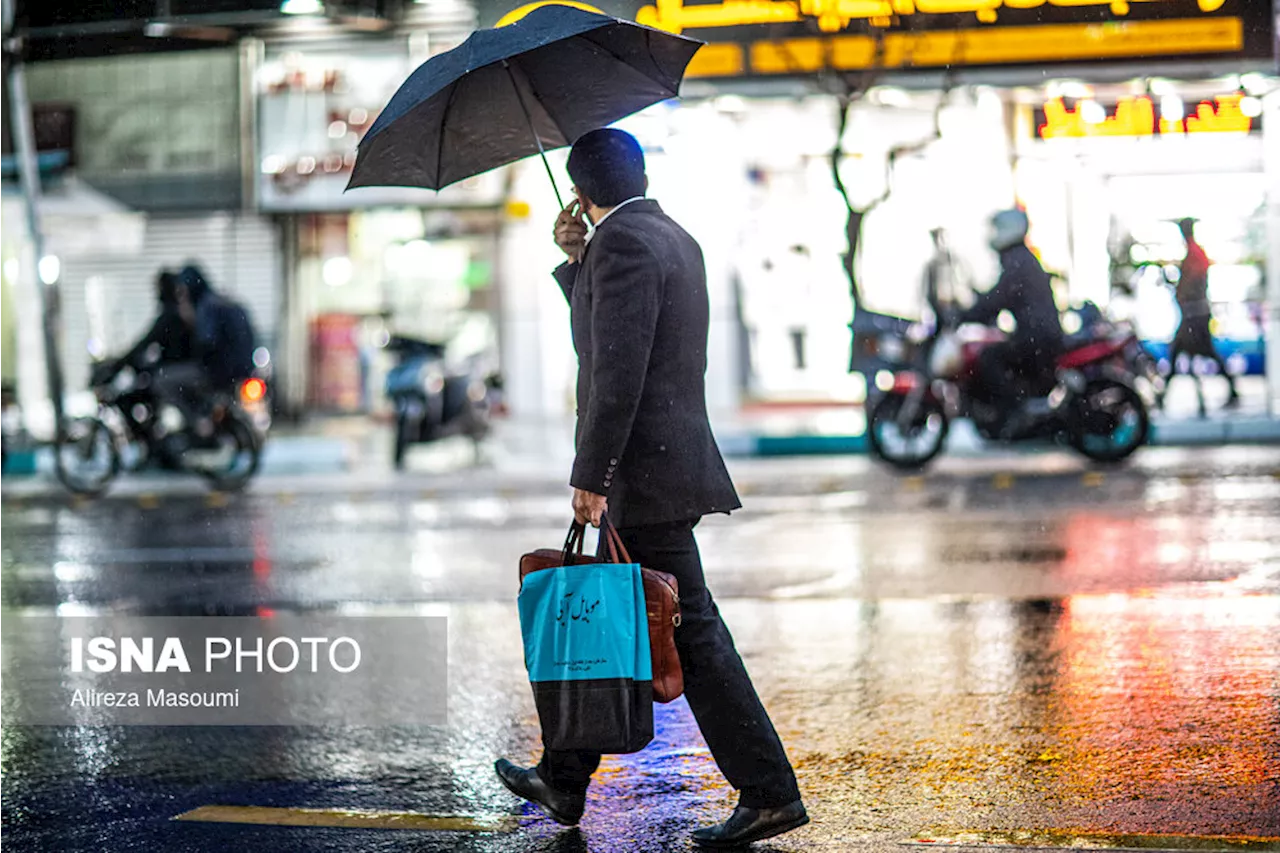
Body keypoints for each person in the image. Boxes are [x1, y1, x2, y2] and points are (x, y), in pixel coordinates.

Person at [493, 128, 808, 848]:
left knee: (688, 632)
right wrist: (578, 258)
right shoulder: (668, 234)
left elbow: (616, 371)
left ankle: (768, 791)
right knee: (621, 619)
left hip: (645, 472)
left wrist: (590, 477)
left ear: (580, 189)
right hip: (665, 462)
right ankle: (565, 778)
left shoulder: (625, 244)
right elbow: (618, 333)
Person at [958, 209, 1064, 425]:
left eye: (997, 229)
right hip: (1037, 334)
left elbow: (998, 298)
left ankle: (1018, 410)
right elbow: (999, 297)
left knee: (989, 358)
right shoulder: (1020, 258)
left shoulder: (1018, 261)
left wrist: (967, 314)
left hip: (1037, 337)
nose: (993, 234)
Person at [1162, 217, 1239, 415]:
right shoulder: (1193, 253)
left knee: (1190, 352)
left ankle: (1212, 396)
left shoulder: (1194, 254)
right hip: (1193, 313)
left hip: (1194, 315)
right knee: (1183, 352)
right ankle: (1172, 398)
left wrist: (1181, 289)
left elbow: (1194, 283)